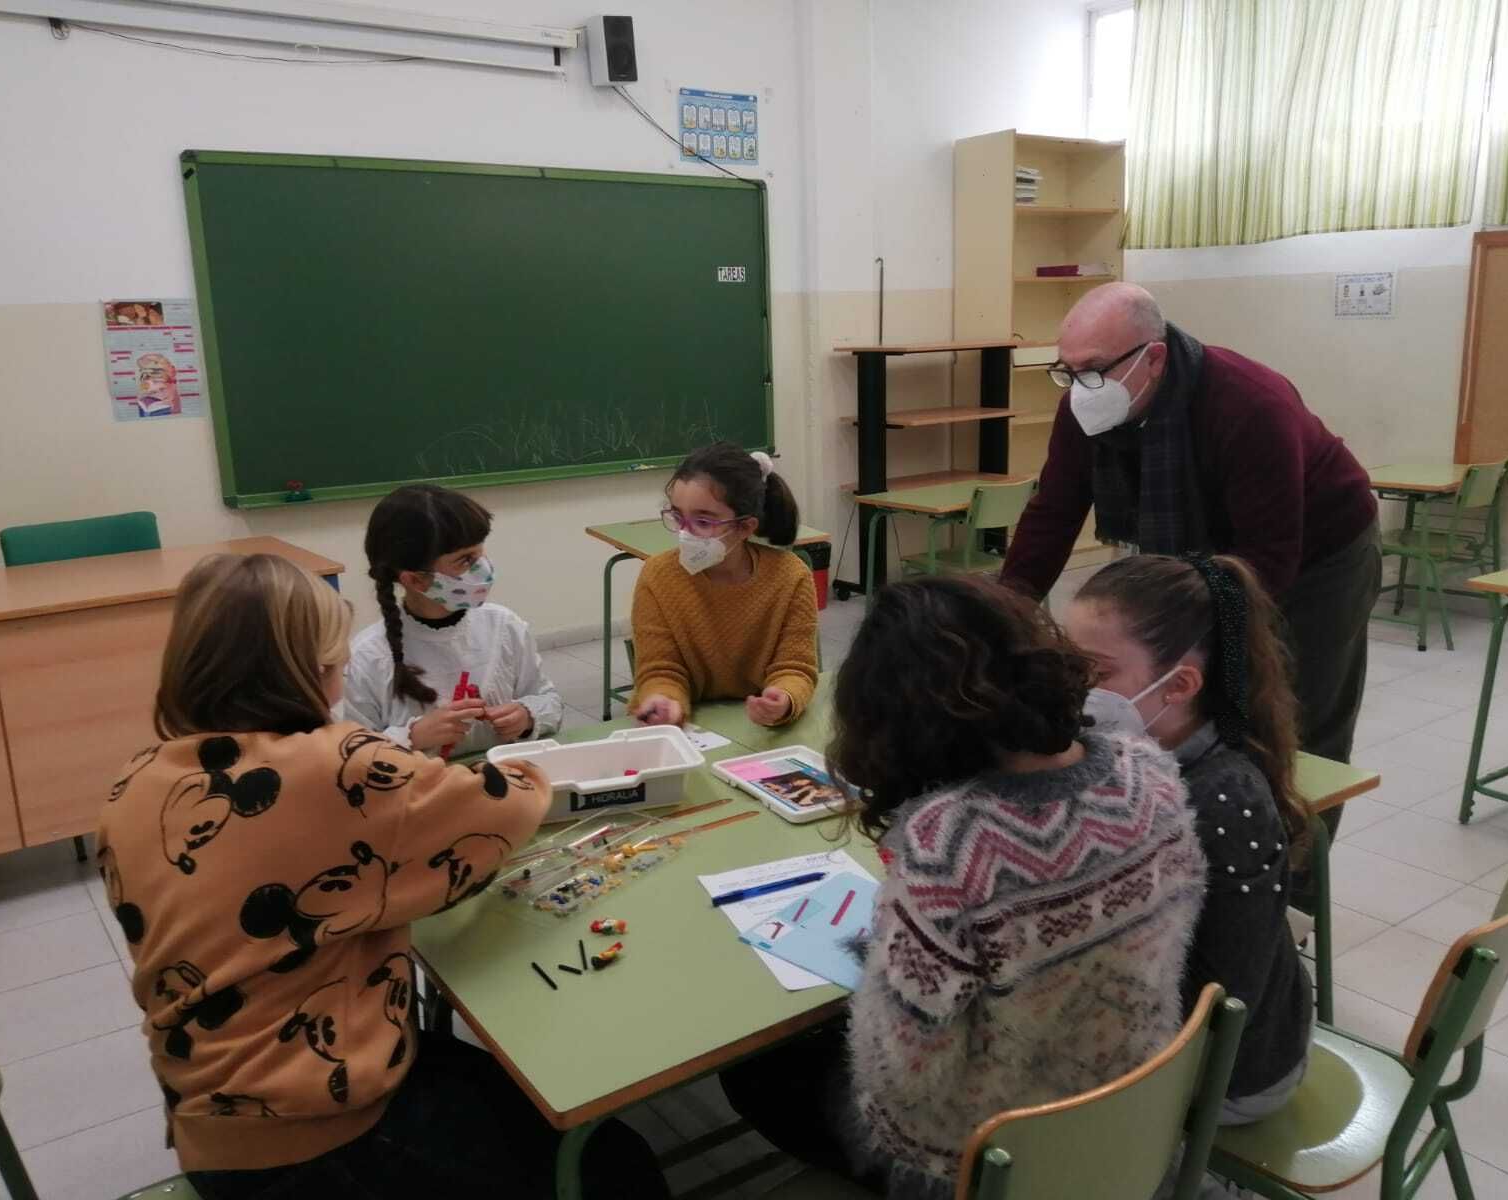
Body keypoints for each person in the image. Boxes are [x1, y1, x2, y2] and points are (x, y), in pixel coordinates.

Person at [96, 553, 669, 1199]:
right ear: (305, 668)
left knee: (501, 1087)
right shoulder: (333, 766)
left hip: (209, 1115)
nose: (338, 675)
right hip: (318, 1133)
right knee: (615, 1162)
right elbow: (503, 805)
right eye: (333, 660)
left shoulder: (134, 784)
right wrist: (529, 768)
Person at [719, 576, 1207, 1200]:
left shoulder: (948, 840)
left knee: (756, 1072)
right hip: (1131, 1120)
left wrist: (884, 968)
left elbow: (901, 1085)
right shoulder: (1150, 772)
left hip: (990, 1164)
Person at [999, 283, 1380, 796]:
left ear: (1153, 359)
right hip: (1212, 551)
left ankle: (1291, 857)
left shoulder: (1250, 403)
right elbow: (1053, 514)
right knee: (1188, 706)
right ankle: (1194, 828)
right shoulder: (1084, 411)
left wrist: (1189, 635)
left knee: (1296, 718)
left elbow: (1268, 557)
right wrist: (1004, 615)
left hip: (1319, 556)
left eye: (1094, 369)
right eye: (1068, 372)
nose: (1080, 387)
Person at [1066, 552, 1313, 1126]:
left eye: (1095, 673)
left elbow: (1221, 1013)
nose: (1072, 689)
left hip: (1231, 1075)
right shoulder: (1139, 750)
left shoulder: (1220, 800)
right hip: (1178, 1023)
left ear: (1178, 685)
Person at [345, 484, 562, 758]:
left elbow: (549, 700)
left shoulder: (505, 626)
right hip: (416, 793)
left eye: (480, 553)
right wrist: (411, 737)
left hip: (502, 783)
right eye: (465, 560)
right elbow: (351, 754)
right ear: (414, 580)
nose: (482, 568)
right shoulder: (367, 656)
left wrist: (527, 715)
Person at [631, 442, 818, 728]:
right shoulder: (658, 576)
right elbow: (660, 668)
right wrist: (663, 699)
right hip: (691, 726)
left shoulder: (790, 576)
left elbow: (796, 667)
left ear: (745, 527)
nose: (685, 533)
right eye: (678, 516)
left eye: (703, 521)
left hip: (758, 727)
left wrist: (783, 697)